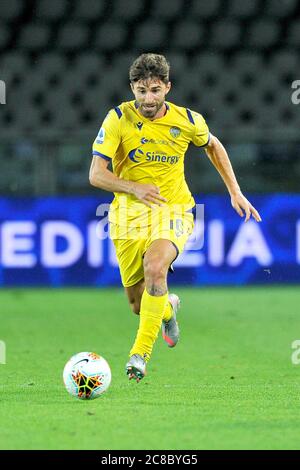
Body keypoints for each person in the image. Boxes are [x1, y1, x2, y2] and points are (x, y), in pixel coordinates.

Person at [89, 53, 261, 382]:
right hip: (127, 215)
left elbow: (212, 146)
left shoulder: (187, 120)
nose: (148, 99)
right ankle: (167, 307)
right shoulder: (117, 119)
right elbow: (96, 174)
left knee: (156, 268)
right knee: (140, 306)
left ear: (167, 87)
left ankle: (139, 355)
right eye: (141, 91)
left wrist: (235, 191)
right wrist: (133, 187)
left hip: (174, 209)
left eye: (155, 90)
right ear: (132, 88)